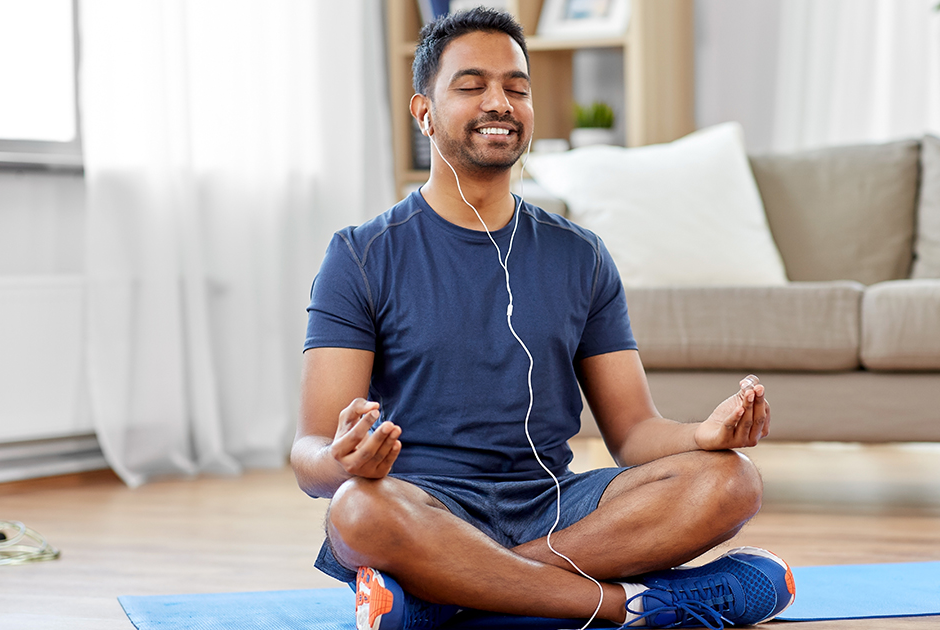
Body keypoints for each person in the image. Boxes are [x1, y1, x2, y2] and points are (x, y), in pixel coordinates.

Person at [291, 8, 794, 630]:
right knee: (355, 512)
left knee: (732, 481)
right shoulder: (360, 254)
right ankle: (630, 605)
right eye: (472, 86)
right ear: (423, 112)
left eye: (517, 88)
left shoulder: (579, 254)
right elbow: (308, 454)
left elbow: (634, 433)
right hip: (425, 505)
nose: (499, 102)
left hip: (556, 503)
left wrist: (703, 437)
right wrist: (344, 462)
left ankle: (442, 595)